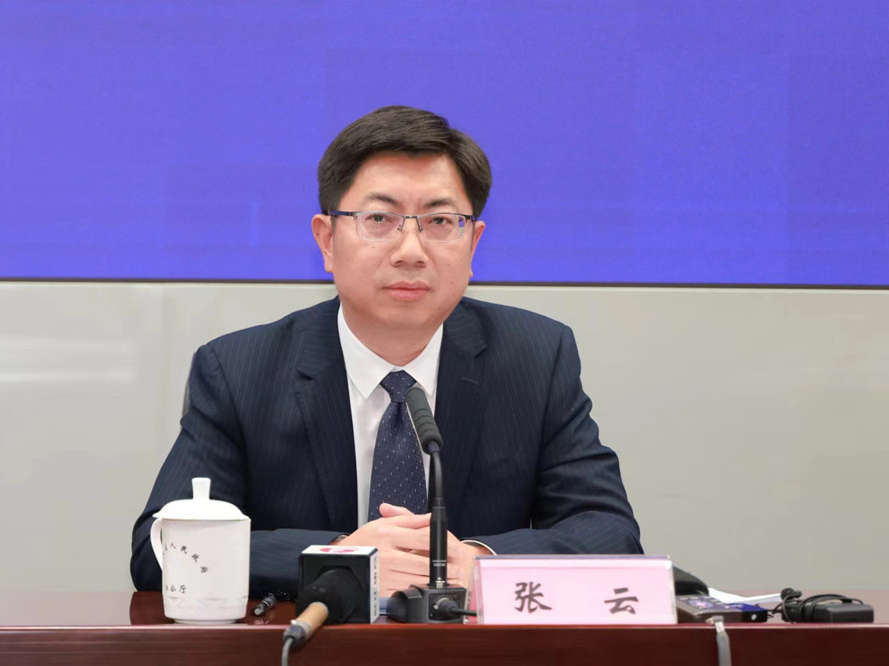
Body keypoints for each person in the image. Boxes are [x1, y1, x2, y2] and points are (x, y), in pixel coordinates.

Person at [131, 106, 642, 599]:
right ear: (327, 241)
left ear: (473, 244)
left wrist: (478, 562)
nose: (411, 251)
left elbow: (610, 533)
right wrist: (337, 556)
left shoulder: (536, 357)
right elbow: (160, 548)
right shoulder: (239, 370)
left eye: (440, 221)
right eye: (379, 218)